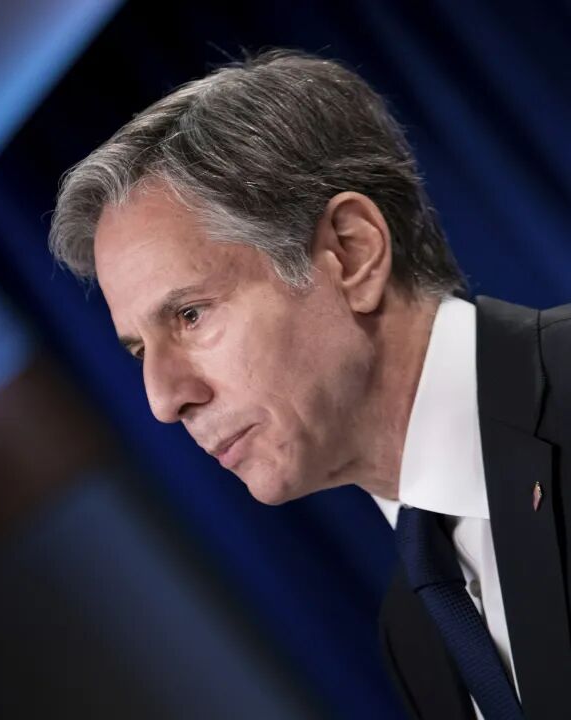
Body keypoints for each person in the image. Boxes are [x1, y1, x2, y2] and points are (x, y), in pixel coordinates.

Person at [47, 49, 570, 719]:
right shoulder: (413, 634)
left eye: (190, 315)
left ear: (352, 252)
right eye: (140, 351)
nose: (163, 400)